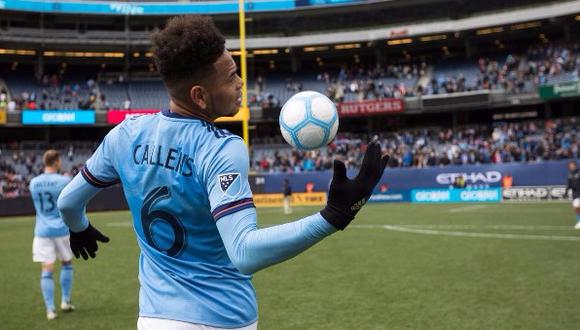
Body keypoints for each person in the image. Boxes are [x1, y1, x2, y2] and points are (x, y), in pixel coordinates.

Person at [57, 15, 388, 330]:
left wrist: (79, 228)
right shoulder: (220, 148)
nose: (241, 82)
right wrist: (333, 216)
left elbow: (68, 202)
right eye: (231, 76)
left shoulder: (125, 134)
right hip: (223, 316)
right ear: (199, 96)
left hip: (155, 319)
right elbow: (244, 252)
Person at [29, 150, 75, 320]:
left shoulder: (34, 183)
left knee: (46, 269)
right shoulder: (64, 181)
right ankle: (65, 300)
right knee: (67, 263)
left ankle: (50, 309)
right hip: (62, 229)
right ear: (55, 162)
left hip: (42, 231)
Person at [564, 161, 580, 229]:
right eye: (570, 166)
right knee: (575, 207)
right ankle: (579, 221)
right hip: (575, 194)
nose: (571, 167)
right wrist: (566, 192)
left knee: (577, 206)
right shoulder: (570, 174)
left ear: (575, 165)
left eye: (572, 165)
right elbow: (569, 185)